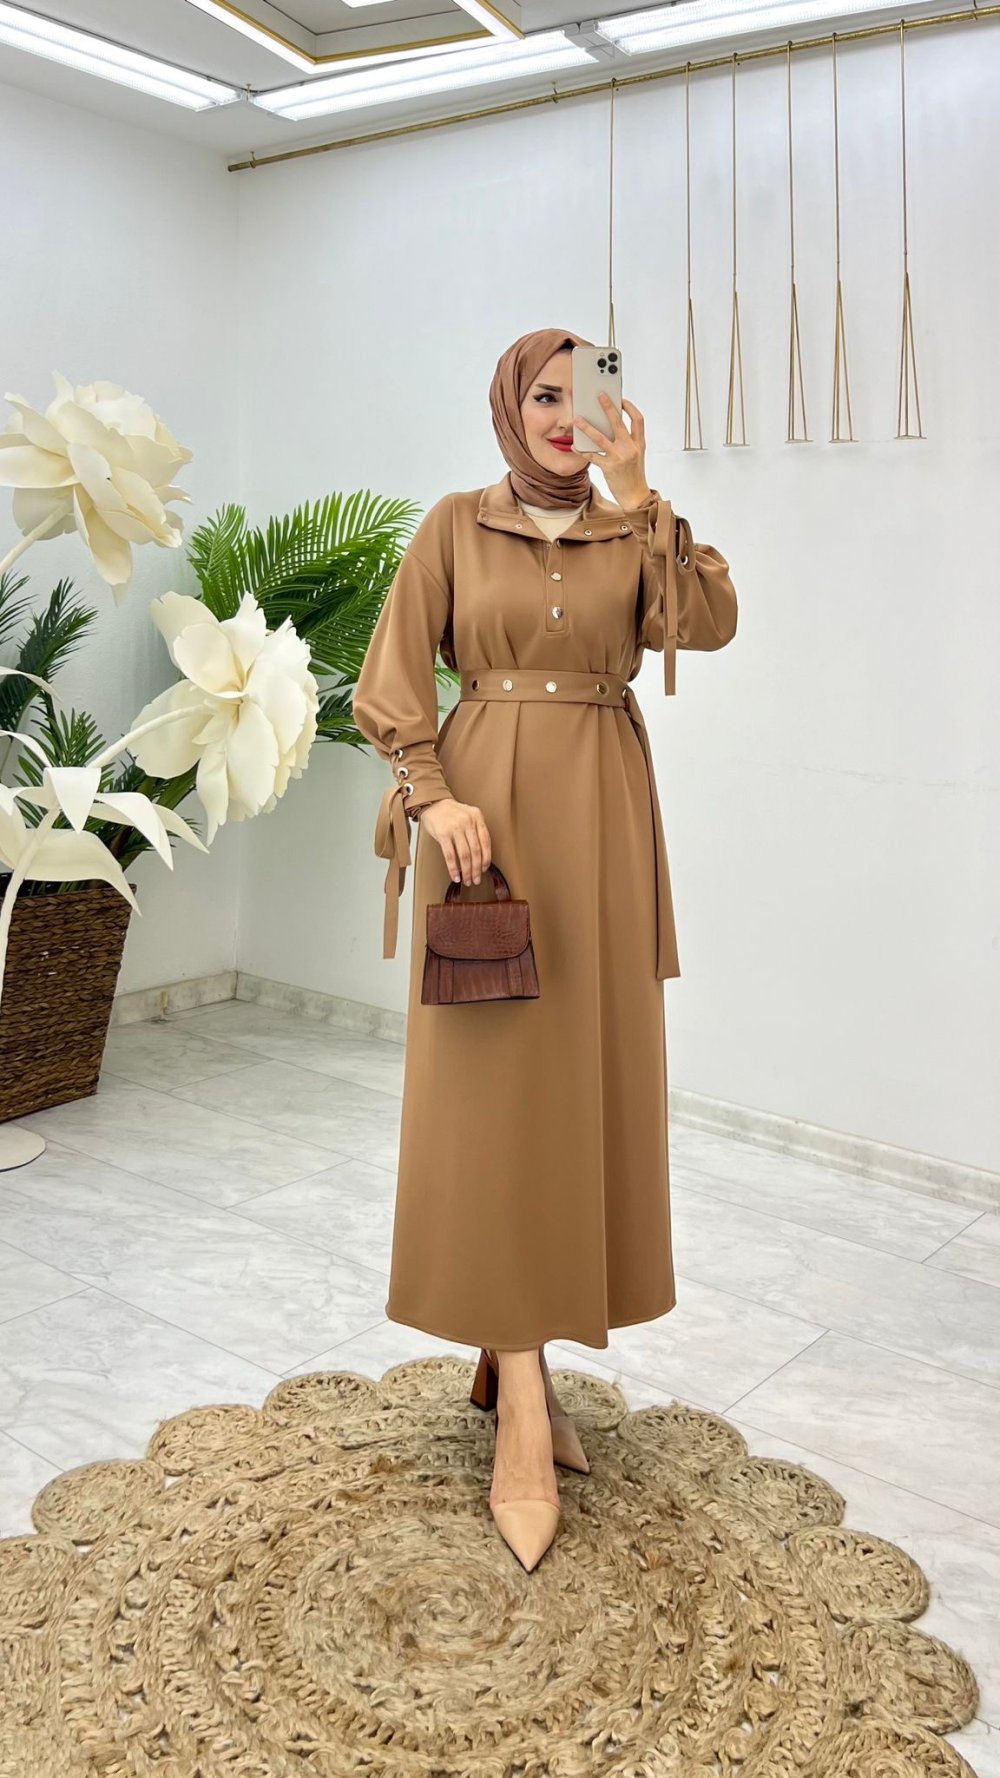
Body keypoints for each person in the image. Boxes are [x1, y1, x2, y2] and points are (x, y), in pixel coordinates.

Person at [352, 326, 738, 1571]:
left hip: (605, 829)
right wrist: (430, 797)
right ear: (509, 407)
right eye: (547, 396)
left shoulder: (633, 529)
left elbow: (708, 621)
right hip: (487, 829)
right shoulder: (453, 525)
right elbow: (391, 682)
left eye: (591, 396)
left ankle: (516, 1350)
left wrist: (645, 497)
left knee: (575, 1090)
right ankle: (521, 1399)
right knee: (492, 1094)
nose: (569, 417)